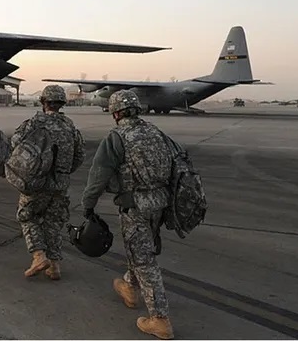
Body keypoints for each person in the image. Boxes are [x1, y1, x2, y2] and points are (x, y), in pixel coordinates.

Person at [81, 89, 175, 340]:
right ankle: (129, 287)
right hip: (160, 203)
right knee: (140, 249)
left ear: (116, 113)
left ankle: (160, 319)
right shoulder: (156, 133)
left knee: (144, 260)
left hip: (135, 205)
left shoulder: (117, 137)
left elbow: (98, 174)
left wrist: (88, 204)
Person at [10, 85, 84, 280]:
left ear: (43, 102)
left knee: (27, 216)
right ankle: (54, 266)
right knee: (53, 222)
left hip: (38, 181)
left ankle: (38, 256)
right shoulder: (69, 126)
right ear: (61, 103)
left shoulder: (34, 122)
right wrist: (64, 172)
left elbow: (15, 143)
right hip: (61, 183)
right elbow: (79, 155)